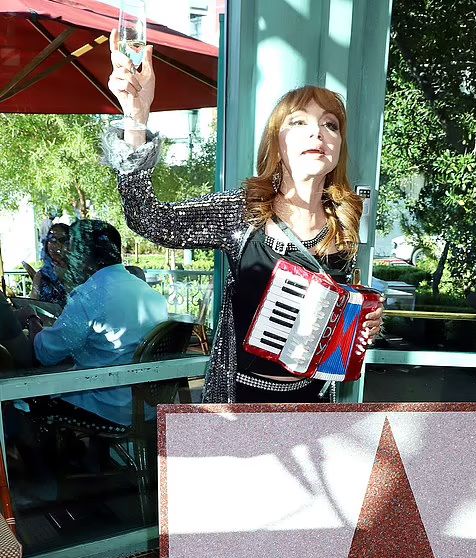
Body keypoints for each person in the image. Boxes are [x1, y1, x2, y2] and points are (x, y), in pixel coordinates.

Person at [104, 31, 384, 404]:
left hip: (316, 405)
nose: (318, 132)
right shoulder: (242, 211)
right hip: (241, 402)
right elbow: (147, 219)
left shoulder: (343, 219)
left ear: (338, 145)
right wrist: (135, 118)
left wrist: (365, 322)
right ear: (276, 144)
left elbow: (337, 317)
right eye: (299, 122)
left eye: (330, 124)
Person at [23, 219, 169, 428]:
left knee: (29, 401)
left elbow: (46, 354)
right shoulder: (149, 293)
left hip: (107, 407)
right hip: (149, 406)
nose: (66, 256)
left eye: (71, 250)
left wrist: (32, 320)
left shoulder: (90, 296)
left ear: (85, 256)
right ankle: (94, 449)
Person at [23, 222, 70, 310]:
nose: (57, 245)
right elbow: (32, 305)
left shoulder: (77, 273)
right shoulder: (41, 275)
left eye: (63, 240)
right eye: (52, 240)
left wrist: (67, 278)